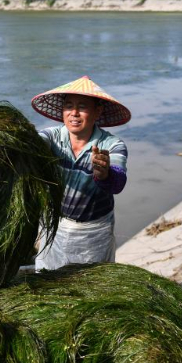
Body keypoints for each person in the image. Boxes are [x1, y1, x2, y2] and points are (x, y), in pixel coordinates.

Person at [31, 76, 130, 270]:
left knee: (90, 288)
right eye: (69, 106)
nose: (74, 113)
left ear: (97, 112)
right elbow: (32, 144)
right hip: (55, 227)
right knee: (48, 281)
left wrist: (104, 174)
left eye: (82, 107)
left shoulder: (112, 146)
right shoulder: (51, 137)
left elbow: (118, 184)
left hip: (94, 232)